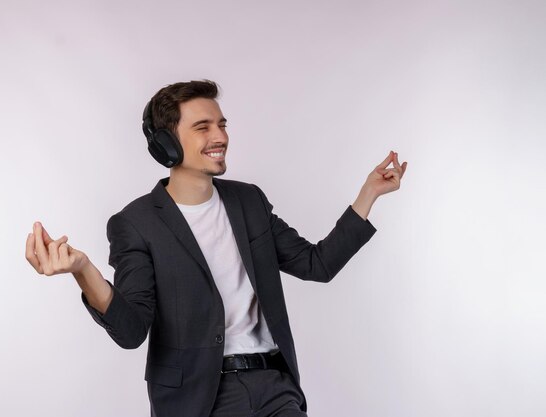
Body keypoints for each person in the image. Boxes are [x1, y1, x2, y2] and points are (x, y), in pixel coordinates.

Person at [25, 80, 407, 417]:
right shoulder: (136, 224)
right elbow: (131, 331)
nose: (220, 136)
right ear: (166, 144)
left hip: (275, 387)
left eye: (222, 124)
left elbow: (317, 264)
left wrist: (368, 194)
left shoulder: (249, 201)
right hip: (200, 399)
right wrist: (83, 270)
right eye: (202, 127)